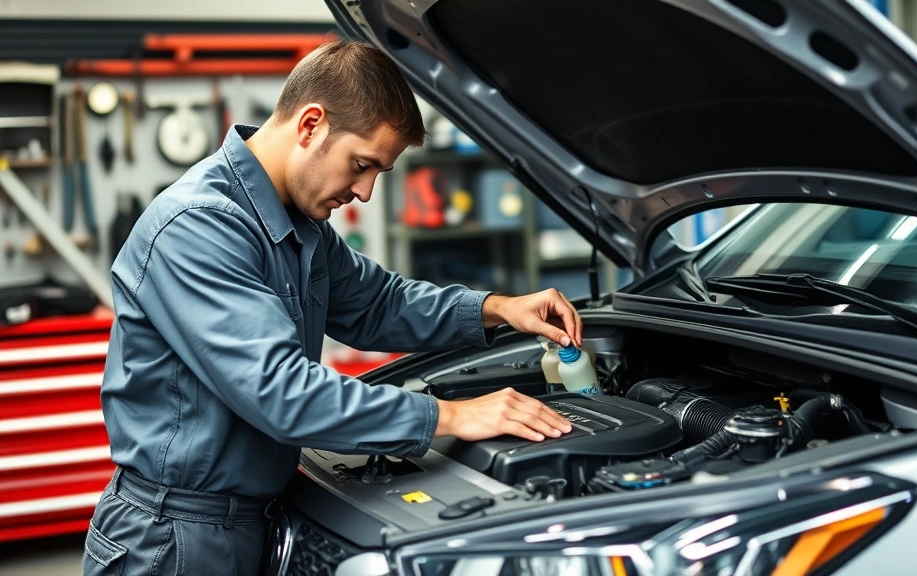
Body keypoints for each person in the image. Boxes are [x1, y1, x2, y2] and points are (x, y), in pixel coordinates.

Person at [84, 39, 579, 576]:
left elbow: (377, 303)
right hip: (174, 540)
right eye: (361, 165)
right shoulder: (200, 226)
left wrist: (497, 308)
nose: (365, 192)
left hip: (249, 520)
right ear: (310, 125)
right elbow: (282, 392)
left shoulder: (300, 225)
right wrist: (454, 415)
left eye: (378, 174)